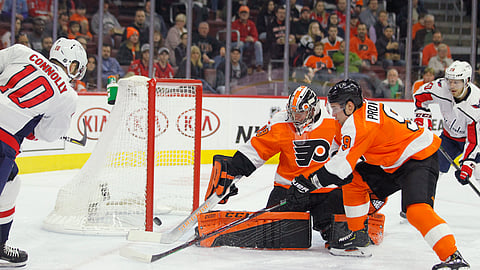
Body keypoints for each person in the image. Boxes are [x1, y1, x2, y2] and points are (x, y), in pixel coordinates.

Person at [288, 79, 470, 269]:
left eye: (334, 108)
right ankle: (358, 238)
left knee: (416, 211)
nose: (332, 112)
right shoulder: (349, 115)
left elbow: (340, 167)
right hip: (390, 162)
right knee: (354, 181)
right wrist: (331, 170)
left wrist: (307, 184)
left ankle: (453, 257)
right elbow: (338, 150)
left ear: (349, 106)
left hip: (418, 157)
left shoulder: (360, 124)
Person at [203, 86, 346, 246]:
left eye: (300, 113)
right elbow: (257, 149)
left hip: (325, 190)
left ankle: (352, 223)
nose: (295, 118)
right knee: (271, 230)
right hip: (289, 190)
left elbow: (349, 157)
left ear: (313, 110)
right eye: (292, 113)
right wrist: (233, 170)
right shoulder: (281, 122)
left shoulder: (335, 122)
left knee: (339, 233)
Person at [0, 37, 87, 268]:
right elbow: (48, 134)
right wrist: (30, 129)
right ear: (73, 65)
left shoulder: (21, 52)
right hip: (2, 142)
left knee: (11, 182)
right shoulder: (67, 95)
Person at [413, 61, 480, 182]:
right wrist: (423, 121)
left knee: (479, 172)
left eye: (456, 82)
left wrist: (467, 164)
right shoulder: (441, 87)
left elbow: (473, 141)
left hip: (473, 141)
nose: (452, 86)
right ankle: (424, 200)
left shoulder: (475, 104)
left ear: (467, 81)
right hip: (449, 139)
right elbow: (420, 97)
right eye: (449, 81)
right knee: (430, 169)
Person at [232, 5, 264, 72]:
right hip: (236, 43)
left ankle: (259, 66)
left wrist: (252, 39)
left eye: (245, 13)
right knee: (240, 44)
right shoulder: (234, 24)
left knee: (258, 44)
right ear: (239, 14)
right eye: (242, 13)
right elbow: (233, 37)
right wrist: (244, 39)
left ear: (248, 14)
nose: (244, 14)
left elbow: (256, 36)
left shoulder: (251, 24)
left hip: (248, 43)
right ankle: (239, 65)